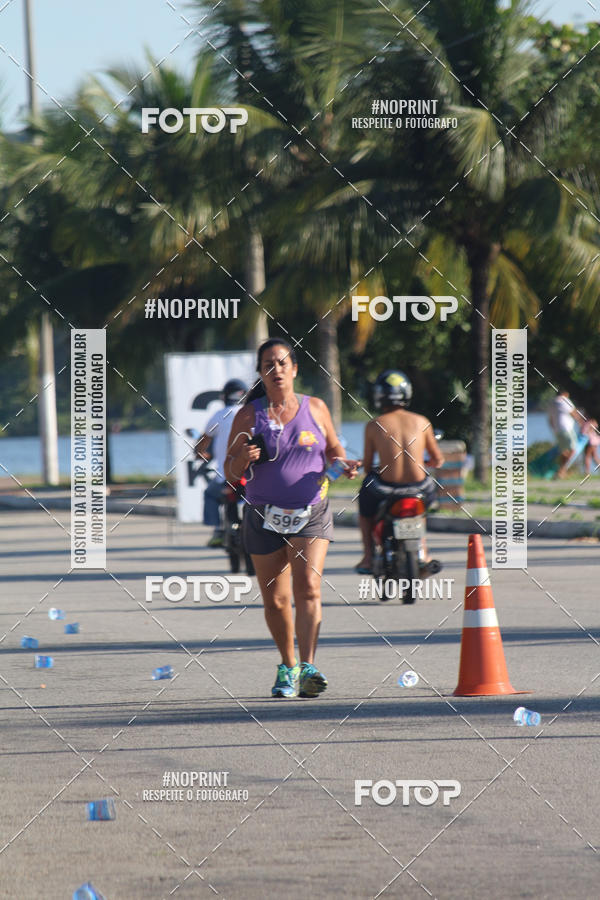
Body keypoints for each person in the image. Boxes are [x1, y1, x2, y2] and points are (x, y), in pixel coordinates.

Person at [224, 338, 360, 699]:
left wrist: (343, 464)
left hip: (311, 512)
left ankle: (309, 666)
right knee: (277, 601)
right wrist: (244, 459)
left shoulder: (315, 407)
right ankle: (288, 666)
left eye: (283, 363)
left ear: (295, 369)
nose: (277, 369)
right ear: (261, 373)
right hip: (262, 515)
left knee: (309, 589)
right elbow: (228, 470)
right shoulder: (249, 415)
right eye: (269, 364)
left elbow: (333, 449)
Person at [356, 370, 444, 575]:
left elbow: (368, 467)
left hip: (387, 490)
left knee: (364, 511)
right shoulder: (422, 422)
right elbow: (438, 460)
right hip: (419, 488)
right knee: (420, 511)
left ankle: (368, 556)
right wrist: (422, 462)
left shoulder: (373, 425)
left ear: (379, 395)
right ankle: (424, 553)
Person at [195, 379, 247, 546]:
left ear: (225, 397)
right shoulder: (253, 414)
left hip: (227, 476)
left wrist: (199, 453)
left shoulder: (220, 415)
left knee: (210, 494)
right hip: (252, 477)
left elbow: (203, 441)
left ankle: (218, 531)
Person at [548, 390, 579, 479]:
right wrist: (582, 423)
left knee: (564, 451)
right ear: (565, 394)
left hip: (557, 430)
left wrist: (554, 430)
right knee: (573, 449)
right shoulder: (565, 400)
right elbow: (574, 413)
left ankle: (561, 472)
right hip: (567, 429)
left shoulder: (552, 403)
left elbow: (550, 420)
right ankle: (561, 470)